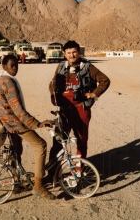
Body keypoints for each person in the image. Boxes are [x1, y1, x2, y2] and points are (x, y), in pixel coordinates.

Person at [0, 55, 55, 200]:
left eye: (16, 65)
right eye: (12, 65)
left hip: (6, 124)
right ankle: (38, 186)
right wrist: (37, 124)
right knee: (41, 145)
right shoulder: (9, 82)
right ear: (4, 66)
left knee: (16, 151)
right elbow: (19, 111)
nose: (15, 68)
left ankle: (15, 183)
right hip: (15, 124)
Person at [45, 40, 110, 183]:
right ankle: (52, 174)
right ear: (64, 54)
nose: (72, 55)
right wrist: (53, 97)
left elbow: (105, 80)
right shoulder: (61, 67)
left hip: (81, 109)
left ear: (79, 53)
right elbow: (52, 84)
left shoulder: (87, 67)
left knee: (81, 141)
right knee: (58, 141)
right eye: (68, 53)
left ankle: (79, 172)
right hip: (64, 111)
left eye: (74, 52)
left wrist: (94, 94)